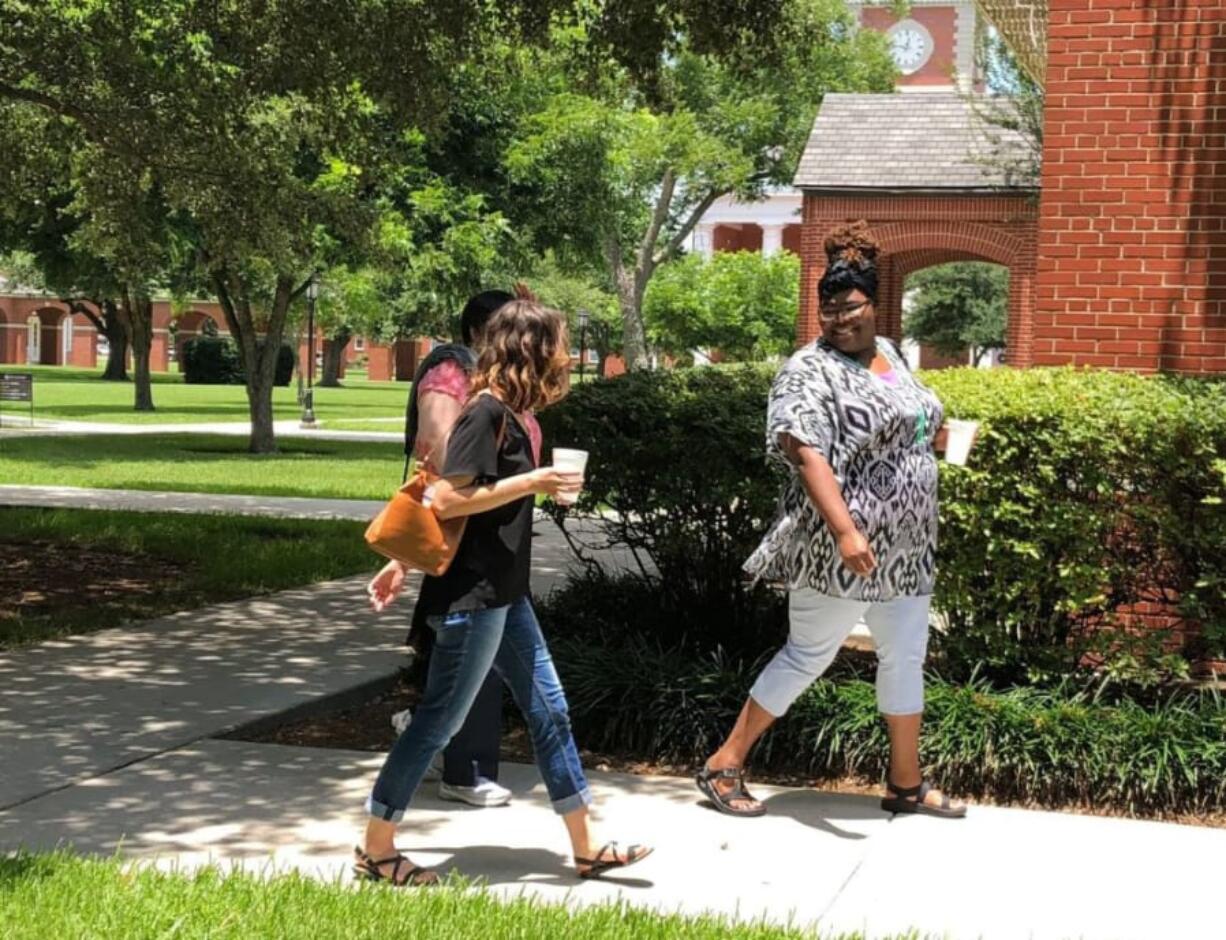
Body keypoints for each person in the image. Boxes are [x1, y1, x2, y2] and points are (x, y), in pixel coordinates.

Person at [355, 300, 653, 886]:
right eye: (556, 346)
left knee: (550, 710)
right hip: (473, 597)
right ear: (530, 350)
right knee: (439, 721)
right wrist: (535, 480)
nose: (564, 358)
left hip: (505, 592)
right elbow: (445, 499)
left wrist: (401, 562)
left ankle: (586, 844)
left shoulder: (512, 413)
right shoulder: (484, 412)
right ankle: (376, 846)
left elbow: (473, 505)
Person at [695, 222, 968, 820]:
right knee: (808, 654)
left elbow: (906, 422)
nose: (838, 319)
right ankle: (724, 763)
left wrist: (942, 438)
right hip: (840, 545)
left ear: (875, 305)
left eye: (850, 307)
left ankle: (905, 783)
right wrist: (846, 530)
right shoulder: (806, 370)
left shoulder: (890, 355)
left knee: (904, 656)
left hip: (908, 549)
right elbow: (805, 450)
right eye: (828, 310)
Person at [370, 289, 541, 809]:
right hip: (468, 548)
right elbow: (440, 461)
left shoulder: (503, 390)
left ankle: (435, 744)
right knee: (470, 672)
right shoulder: (453, 376)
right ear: (479, 333)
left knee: (532, 694)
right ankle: (449, 772)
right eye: (512, 330)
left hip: (497, 548)